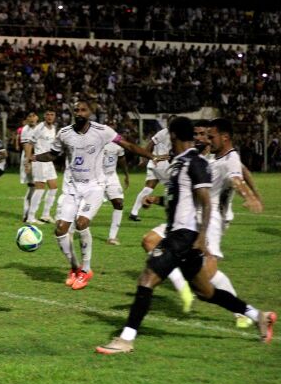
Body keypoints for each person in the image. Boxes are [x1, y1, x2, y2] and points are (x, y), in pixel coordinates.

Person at [96, 117, 275, 354]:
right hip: (179, 233)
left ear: (172, 136)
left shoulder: (195, 162)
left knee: (147, 279)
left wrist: (201, 237)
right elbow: (181, 200)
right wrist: (157, 200)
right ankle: (258, 316)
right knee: (206, 292)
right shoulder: (179, 163)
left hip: (183, 236)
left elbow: (205, 202)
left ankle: (126, 339)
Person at [140, 119, 264, 326]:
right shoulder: (200, 158)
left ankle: (242, 312)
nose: (199, 137)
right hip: (188, 219)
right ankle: (184, 289)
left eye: (204, 134)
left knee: (207, 276)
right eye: (196, 133)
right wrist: (157, 199)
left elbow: (238, 176)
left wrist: (250, 196)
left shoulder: (226, 158)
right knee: (150, 241)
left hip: (211, 219)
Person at [31, 101, 155, 290]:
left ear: (90, 112)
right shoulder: (64, 133)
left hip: (94, 187)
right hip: (72, 188)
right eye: (76, 110)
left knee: (81, 223)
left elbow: (127, 145)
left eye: (83, 110)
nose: (79, 112)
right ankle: (74, 268)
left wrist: (151, 156)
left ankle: (86, 270)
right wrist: (35, 157)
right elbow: (52, 155)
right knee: (60, 229)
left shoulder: (102, 130)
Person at [128, 116, 174, 221]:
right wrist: (144, 158)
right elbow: (150, 144)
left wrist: (145, 159)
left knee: (148, 188)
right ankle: (172, 213)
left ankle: (134, 213)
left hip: (155, 164)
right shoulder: (164, 133)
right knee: (172, 187)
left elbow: (151, 144)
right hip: (162, 165)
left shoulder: (170, 133)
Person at [24, 110, 58, 224]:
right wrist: (28, 161)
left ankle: (46, 215)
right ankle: (31, 217)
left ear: (55, 116)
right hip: (38, 160)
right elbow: (29, 144)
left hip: (48, 161)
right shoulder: (40, 127)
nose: (50, 116)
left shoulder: (53, 128)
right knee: (40, 188)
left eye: (52, 114)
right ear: (44, 116)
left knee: (54, 187)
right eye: (47, 114)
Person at [101, 140, 129, 245]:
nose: (111, 125)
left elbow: (122, 158)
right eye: (109, 123)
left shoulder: (118, 143)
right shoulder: (97, 139)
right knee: (88, 206)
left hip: (111, 176)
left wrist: (126, 174)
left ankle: (112, 237)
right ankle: (71, 227)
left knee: (119, 203)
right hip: (96, 176)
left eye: (113, 123)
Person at [19, 113, 39, 222]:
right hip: (30, 159)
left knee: (36, 187)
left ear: (37, 118)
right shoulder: (25, 129)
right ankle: (28, 214)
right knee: (33, 186)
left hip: (38, 159)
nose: (31, 118)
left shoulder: (40, 128)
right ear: (27, 118)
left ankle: (29, 214)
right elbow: (26, 146)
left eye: (33, 116)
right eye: (29, 116)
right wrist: (28, 162)